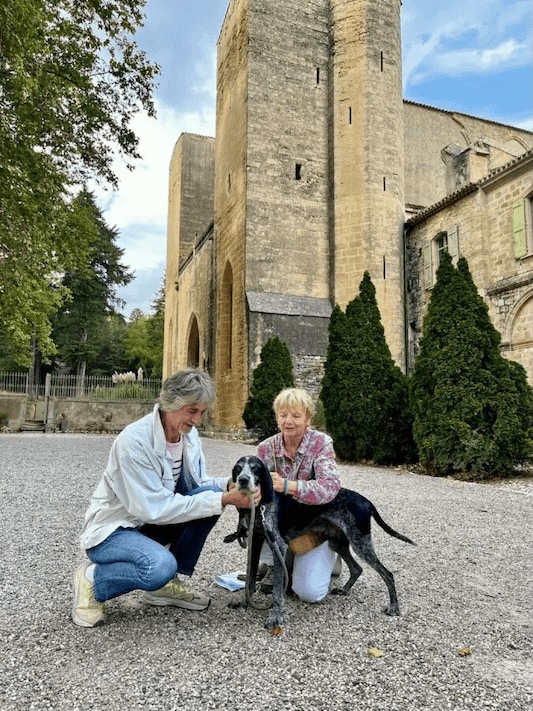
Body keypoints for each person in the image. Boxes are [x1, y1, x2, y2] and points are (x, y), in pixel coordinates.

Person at [72, 368, 259, 628]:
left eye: (202, 412)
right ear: (171, 403)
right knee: (159, 566)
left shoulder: (188, 435)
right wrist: (225, 500)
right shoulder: (134, 442)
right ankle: (92, 580)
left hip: (148, 524)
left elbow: (198, 483)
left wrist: (227, 486)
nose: (197, 420)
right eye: (192, 411)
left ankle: (162, 586)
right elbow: (154, 508)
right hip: (113, 531)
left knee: (214, 494)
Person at [257, 387, 341, 603]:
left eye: (296, 415)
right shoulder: (265, 449)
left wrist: (288, 486)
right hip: (283, 525)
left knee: (309, 593)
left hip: (314, 525)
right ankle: (289, 559)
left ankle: (330, 554)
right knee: (262, 561)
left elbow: (330, 487)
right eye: (283, 415)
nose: (289, 421)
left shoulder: (321, 443)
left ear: (308, 418)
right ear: (277, 418)